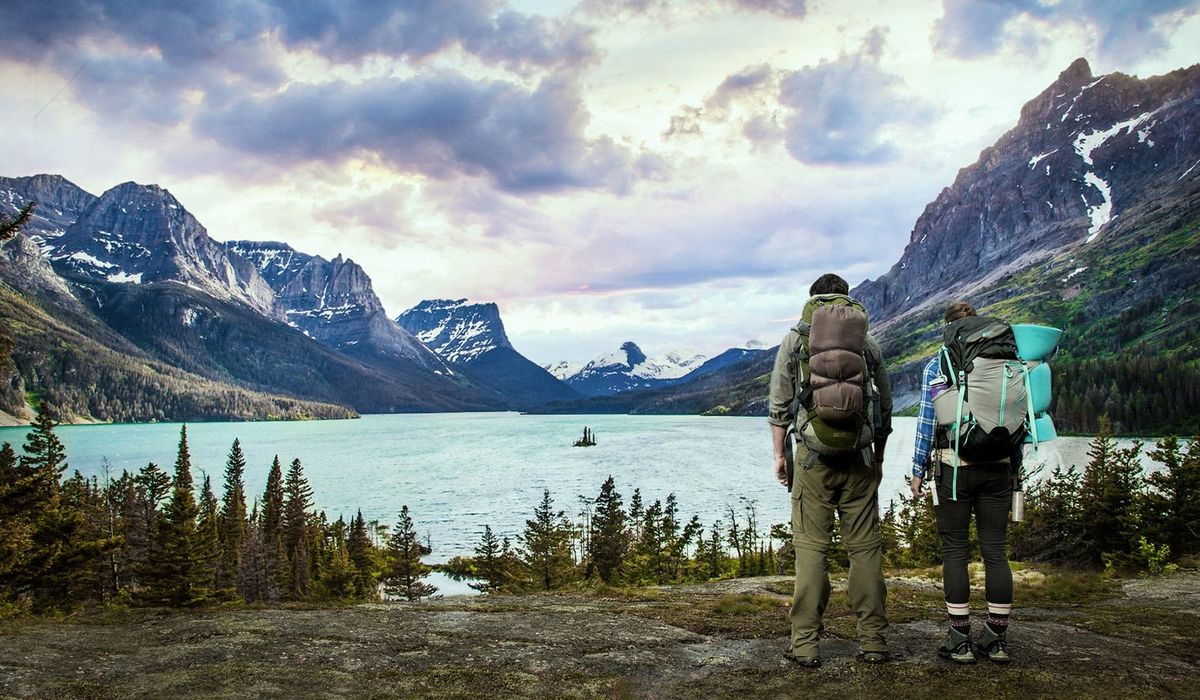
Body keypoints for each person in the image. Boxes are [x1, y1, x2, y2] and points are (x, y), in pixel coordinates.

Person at [768, 273, 893, 667]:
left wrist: (780, 456)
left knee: (811, 550)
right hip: (859, 458)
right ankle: (873, 641)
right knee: (865, 550)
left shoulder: (796, 340)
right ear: (847, 299)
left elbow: (779, 406)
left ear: (813, 300)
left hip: (812, 460)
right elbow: (884, 409)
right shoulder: (866, 343)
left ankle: (805, 644)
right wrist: (879, 459)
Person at [911, 300, 1015, 665]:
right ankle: (997, 640)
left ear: (948, 329)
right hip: (999, 468)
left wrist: (918, 469)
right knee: (995, 551)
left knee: (955, 551)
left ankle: (959, 640)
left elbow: (927, 420)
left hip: (954, 469)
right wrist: (1014, 470)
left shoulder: (938, 364)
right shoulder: (1006, 362)